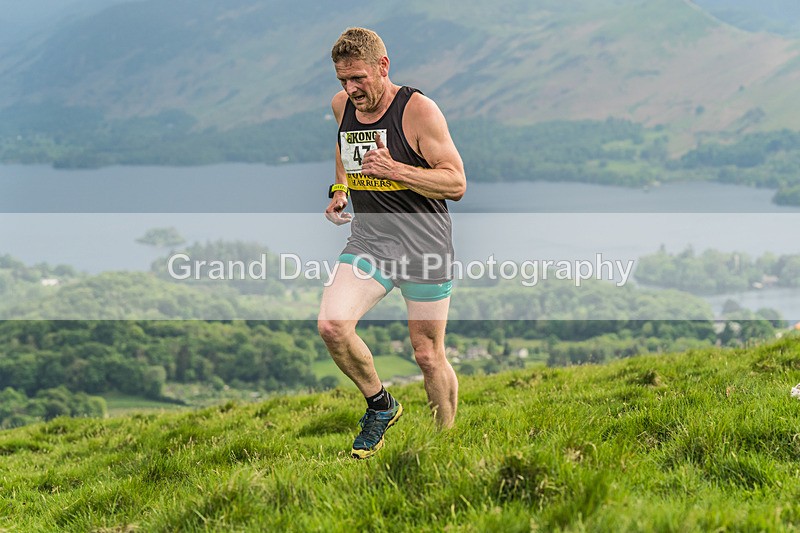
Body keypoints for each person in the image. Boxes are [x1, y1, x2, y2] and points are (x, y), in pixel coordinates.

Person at [318, 27, 467, 459]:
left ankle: (444, 444)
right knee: (332, 325)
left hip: (424, 245)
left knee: (427, 354)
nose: (351, 89)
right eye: (343, 79)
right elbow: (344, 144)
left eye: (359, 78)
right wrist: (340, 189)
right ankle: (381, 404)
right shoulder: (343, 105)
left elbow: (456, 183)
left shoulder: (418, 111)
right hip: (372, 240)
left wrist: (396, 170)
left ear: (383, 66)